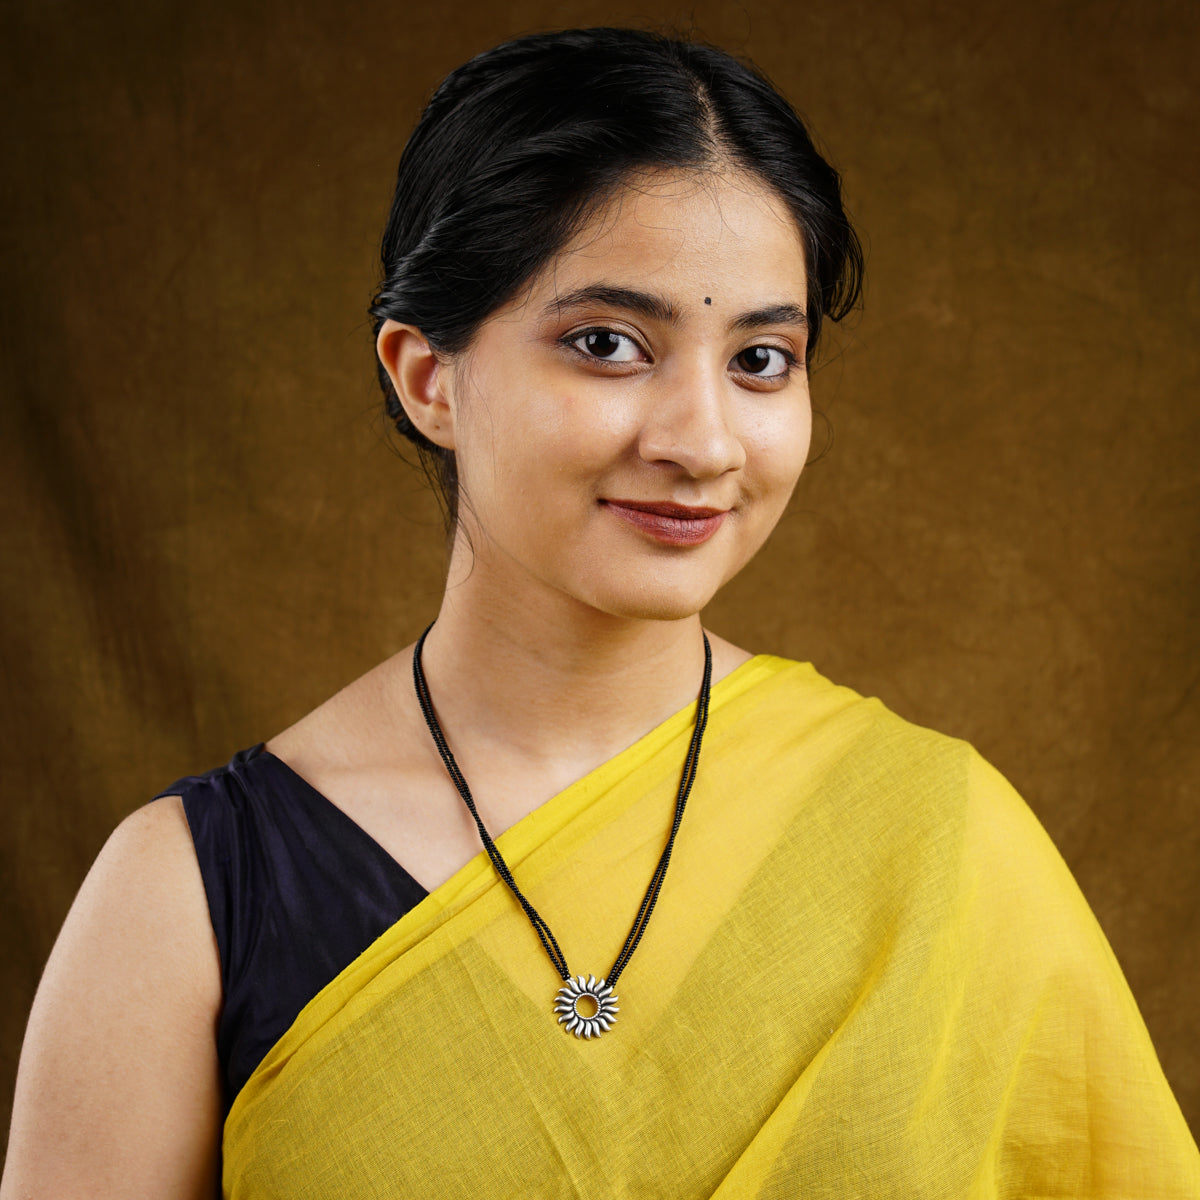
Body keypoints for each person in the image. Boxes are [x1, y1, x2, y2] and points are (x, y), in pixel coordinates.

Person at [3, 26, 1197, 1200]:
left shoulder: (939, 836)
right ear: (429, 379)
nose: (702, 441)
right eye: (609, 344)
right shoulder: (192, 897)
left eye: (761, 360)